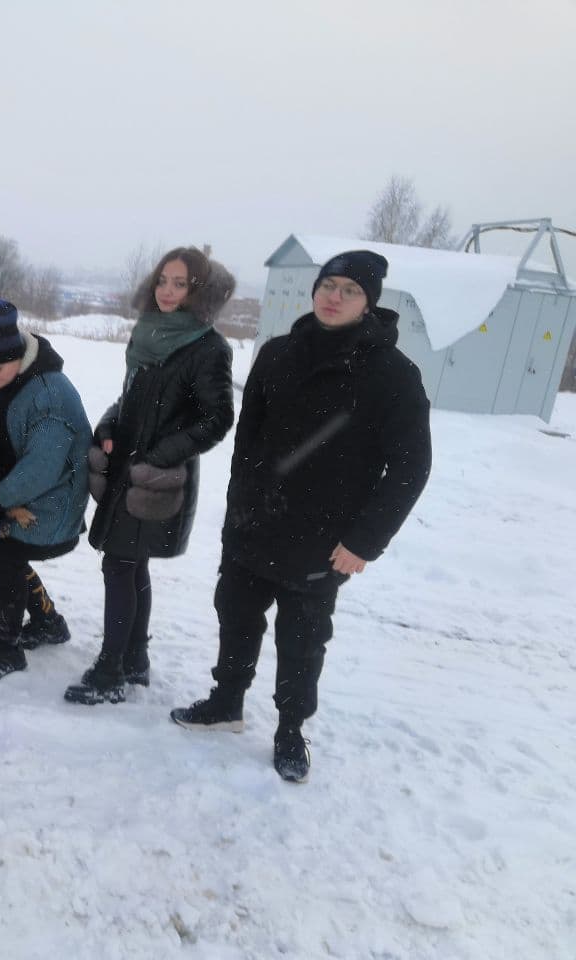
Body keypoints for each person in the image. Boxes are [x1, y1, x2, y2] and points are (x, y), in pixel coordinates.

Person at [170, 250, 432, 782]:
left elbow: (412, 466)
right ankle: (227, 702)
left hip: (324, 541)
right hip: (254, 526)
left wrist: (365, 542)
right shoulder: (278, 352)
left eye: (350, 290)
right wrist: (238, 506)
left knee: (303, 640)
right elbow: (249, 440)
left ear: (369, 302)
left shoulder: (393, 375)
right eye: (328, 285)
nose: (334, 297)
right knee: (235, 618)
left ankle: (290, 730)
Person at [66, 248, 236, 705]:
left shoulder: (207, 346)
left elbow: (218, 418)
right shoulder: (149, 333)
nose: (167, 291)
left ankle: (110, 672)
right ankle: (134, 659)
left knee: (119, 564)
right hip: (127, 467)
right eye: (163, 280)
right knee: (131, 561)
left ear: (197, 292)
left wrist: (160, 457)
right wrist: (107, 426)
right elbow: (130, 398)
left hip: (157, 477)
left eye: (180, 283)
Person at [0, 300, 92, 680]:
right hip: (11, 490)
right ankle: (48, 622)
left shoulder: (51, 394)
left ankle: (6, 648)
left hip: (54, 502)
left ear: (18, 356)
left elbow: (42, 469)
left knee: (2, 549)